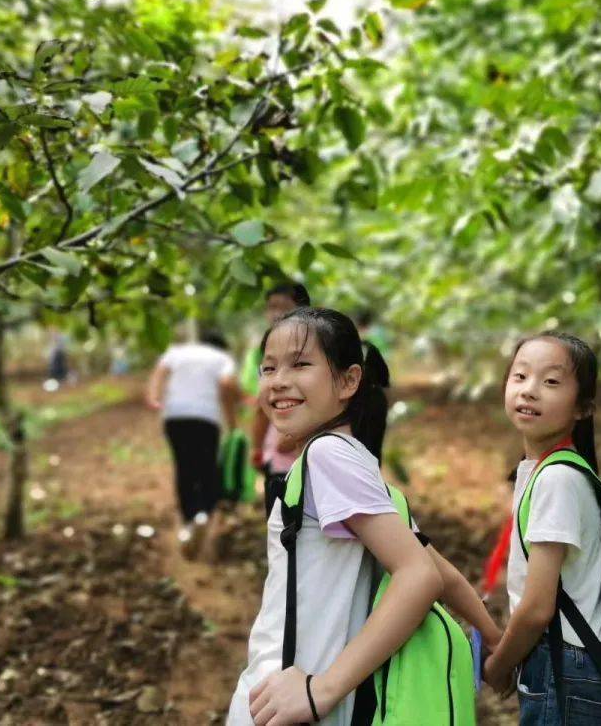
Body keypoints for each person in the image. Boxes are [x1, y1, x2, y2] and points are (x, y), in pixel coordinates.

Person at [227, 307, 500, 725]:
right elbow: (436, 567)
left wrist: (322, 690)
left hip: (289, 697)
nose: (278, 380)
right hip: (305, 698)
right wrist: (495, 641)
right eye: (268, 368)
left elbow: (419, 574)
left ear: (348, 381)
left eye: (300, 364)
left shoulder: (327, 456)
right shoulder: (355, 463)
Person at [483, 332, 601, 725]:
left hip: (565, 664)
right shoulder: (549, 471)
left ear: (583, 408)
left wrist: (499, 665)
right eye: (520, 376)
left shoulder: (558, 479)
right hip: (572, 660)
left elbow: (537, 608)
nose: (530, 390)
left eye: (551, 381)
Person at [146, 330, 240, 550]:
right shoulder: (222, 358)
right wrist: (232, 421)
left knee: (184, 465)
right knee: (207, 465)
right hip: (206, 417)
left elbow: (160, 372)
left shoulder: (177, 351)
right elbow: (227, 384)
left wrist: (154, 397)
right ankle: (205, 514)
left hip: (175, 416)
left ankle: (189, 520)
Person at [241, 283, 311, 515]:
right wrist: (257, 448)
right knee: (283, 524)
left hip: (310, 455)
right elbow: (263, 405)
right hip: (280, 457)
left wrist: (294, 436)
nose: (276, 314)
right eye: (271, 307)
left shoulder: (316, 348)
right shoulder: (266, 353)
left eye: (283, 307)